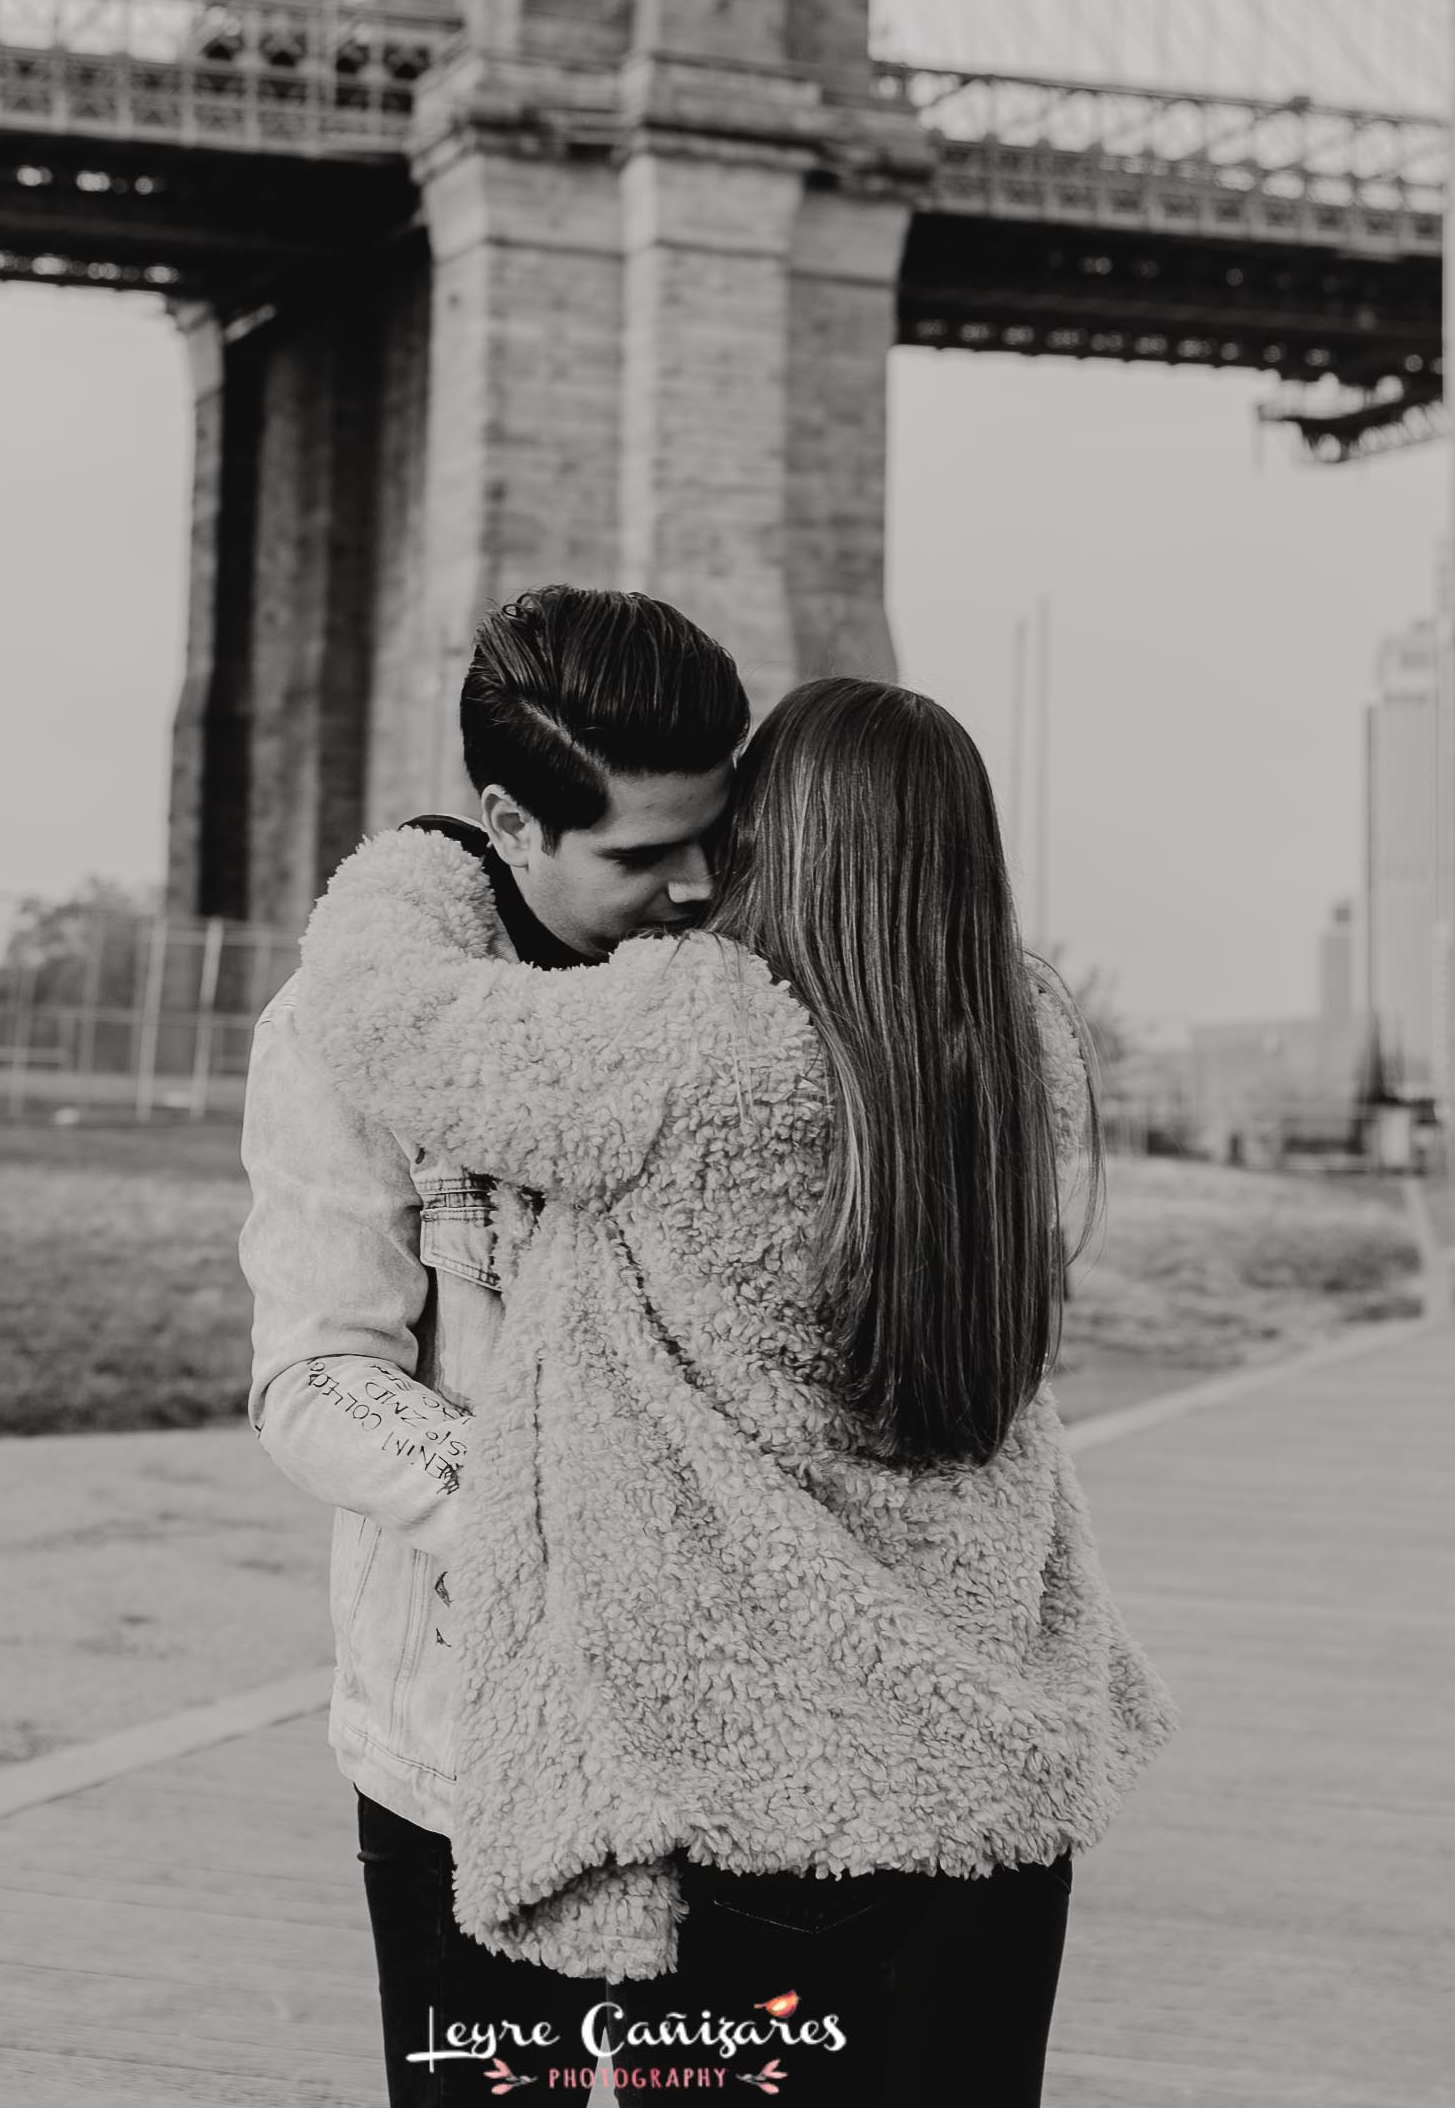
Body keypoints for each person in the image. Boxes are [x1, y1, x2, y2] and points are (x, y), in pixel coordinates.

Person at [298, 676, 1178, 2105]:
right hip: (995, 1797)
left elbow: (390, 1022)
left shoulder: (694, 1037)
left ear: (785, 842)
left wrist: (422, 858)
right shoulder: (1013, 1058)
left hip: (769, 1814)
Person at [238, 585, 750, 2104]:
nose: (701, 886)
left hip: (725, 1730)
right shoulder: (338, 1030)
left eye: (719, 834)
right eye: (644, 855)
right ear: (512, 823)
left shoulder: (734, 999)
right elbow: (315, 1378)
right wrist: (562, 1508)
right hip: (460, 1737)